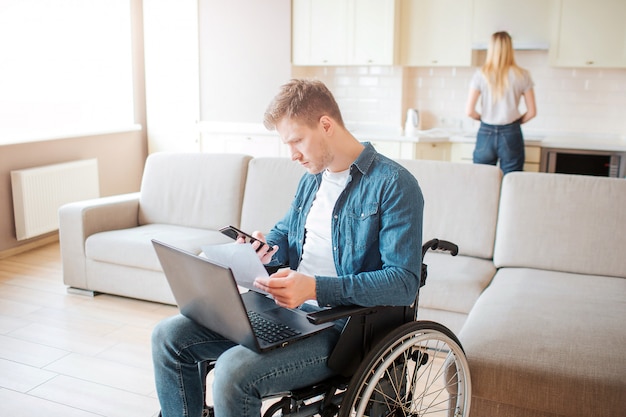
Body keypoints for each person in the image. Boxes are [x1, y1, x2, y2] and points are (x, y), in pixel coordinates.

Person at [151, 79, 424, 417]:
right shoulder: (312, 179)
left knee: (232, 373)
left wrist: (314, 287)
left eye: (297, 140)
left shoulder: (394, 185)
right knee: (168, 336)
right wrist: (261, 250)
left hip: (340, 328)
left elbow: (403, 282)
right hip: (282, 310)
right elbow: (286, 235)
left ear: (326, 125)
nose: (292, 154)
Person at [465, 31, 537, 174]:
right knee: (511, 180)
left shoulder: (481, 74)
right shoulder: (522, 75)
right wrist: (515, 122)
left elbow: (469, 111)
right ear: (510, 49)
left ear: (491, 49)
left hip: (486, 132)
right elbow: (532, 112)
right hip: (511, 132)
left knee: (482, 179)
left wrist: (483, 118)